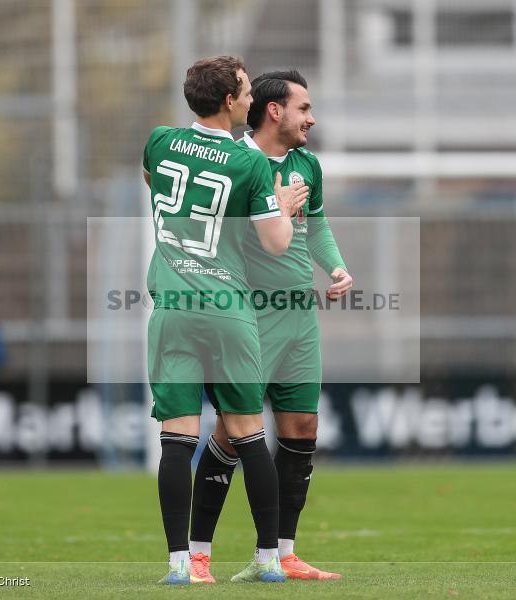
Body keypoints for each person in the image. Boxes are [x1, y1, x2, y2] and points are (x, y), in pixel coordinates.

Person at [142, 56, 309, 584]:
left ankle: (180, 566)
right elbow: (276, 243)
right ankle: (266, 560)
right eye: (244, 91)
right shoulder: (250, 163)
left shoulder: (160, 140)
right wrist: (281, 206)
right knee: (246, 433)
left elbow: (155, 184)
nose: (250, 99)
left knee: (177, 437)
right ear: (232, 102)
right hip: (227, 310)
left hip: (171, 307)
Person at [188, 70, 352, 582]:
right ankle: (197, 554)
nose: (312, 117)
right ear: (275, 111)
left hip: (299, 316)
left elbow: (317, 224)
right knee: (233, 434)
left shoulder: (308, 165)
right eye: (304, 107)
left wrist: (336, 266)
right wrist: (274, 211)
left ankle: (282, 554)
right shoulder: (238, 164)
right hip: (249, 315)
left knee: (302, 427)